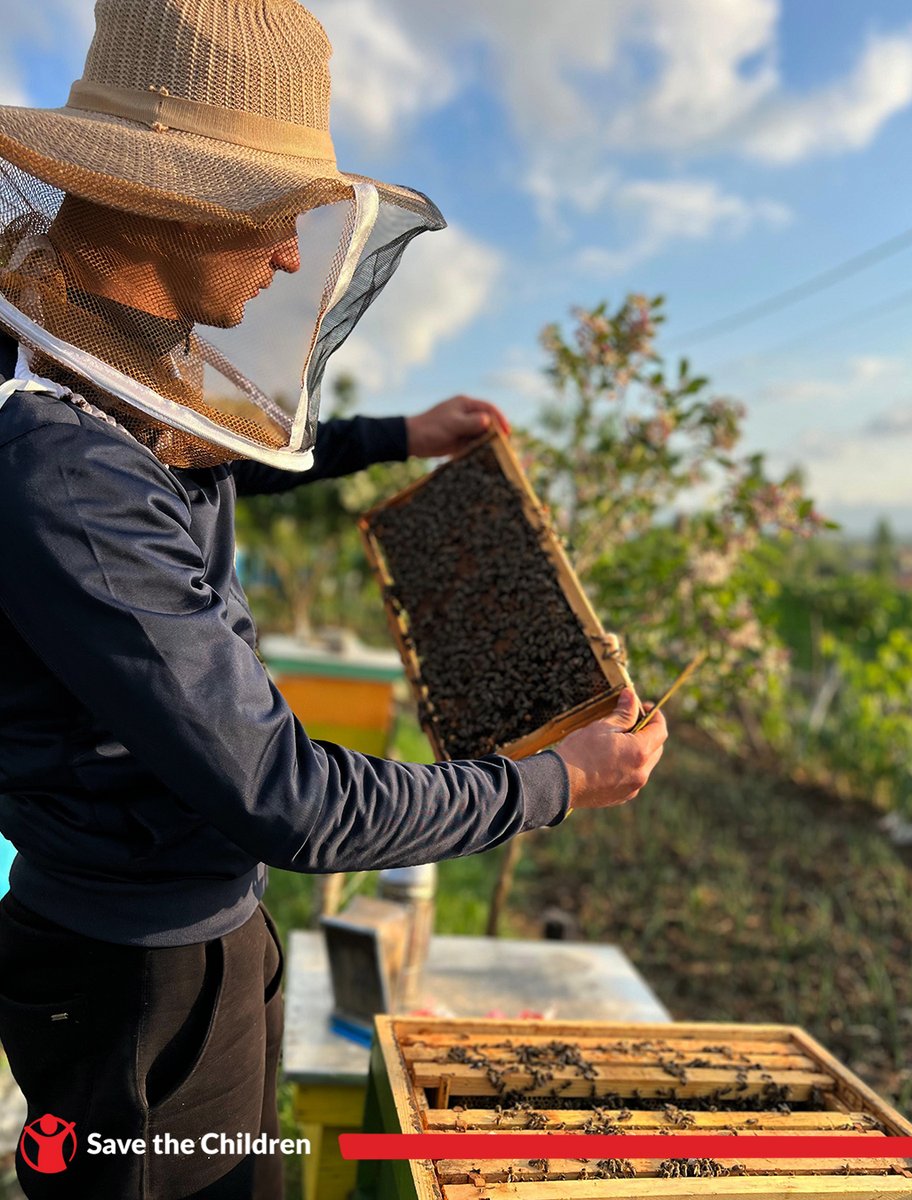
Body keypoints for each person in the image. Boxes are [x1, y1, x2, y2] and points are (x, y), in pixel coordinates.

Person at [0, 1, 668, 1197]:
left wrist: (397, 435)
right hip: (134, 988)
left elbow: (207, 446)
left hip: (197, 933)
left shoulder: (108, 394)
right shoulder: (65, 480)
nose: (295, 255)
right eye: (275, 213)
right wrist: (559, 784)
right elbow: (294, 801)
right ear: (175, 200)